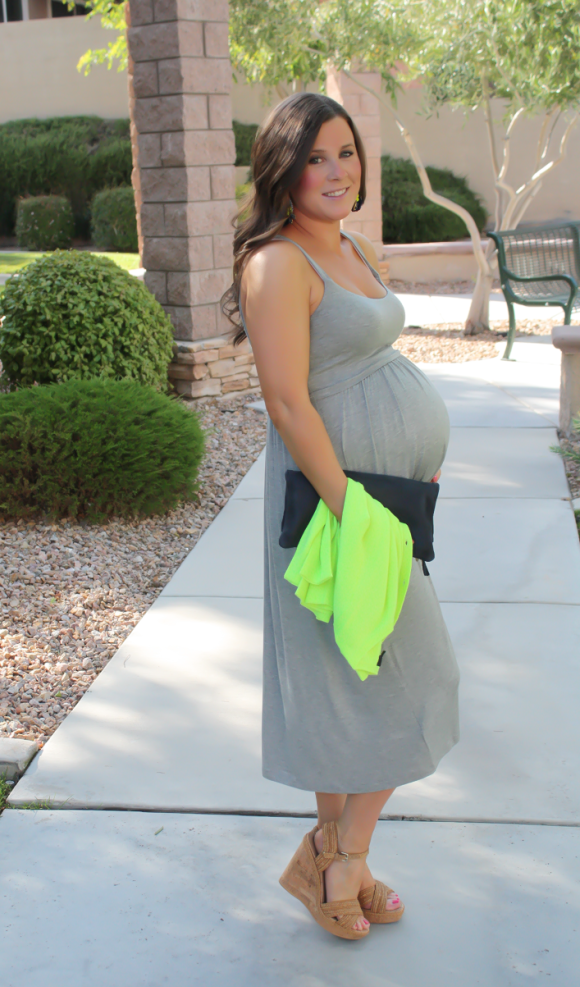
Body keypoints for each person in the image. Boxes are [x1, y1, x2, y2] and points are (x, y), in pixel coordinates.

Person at [221, 92, 461, 940]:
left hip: (383, 499)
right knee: (410, 678)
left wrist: (414, 458)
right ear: (283, 171)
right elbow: (288, 401)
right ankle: (346, 861)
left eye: (346, 153)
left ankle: (328, 864)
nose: (335, 171)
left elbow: (368, 363)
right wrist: (353, 509)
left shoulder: (351, 245)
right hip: (338, 506)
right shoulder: (278, 263)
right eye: (315, 157)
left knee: (351, 682)